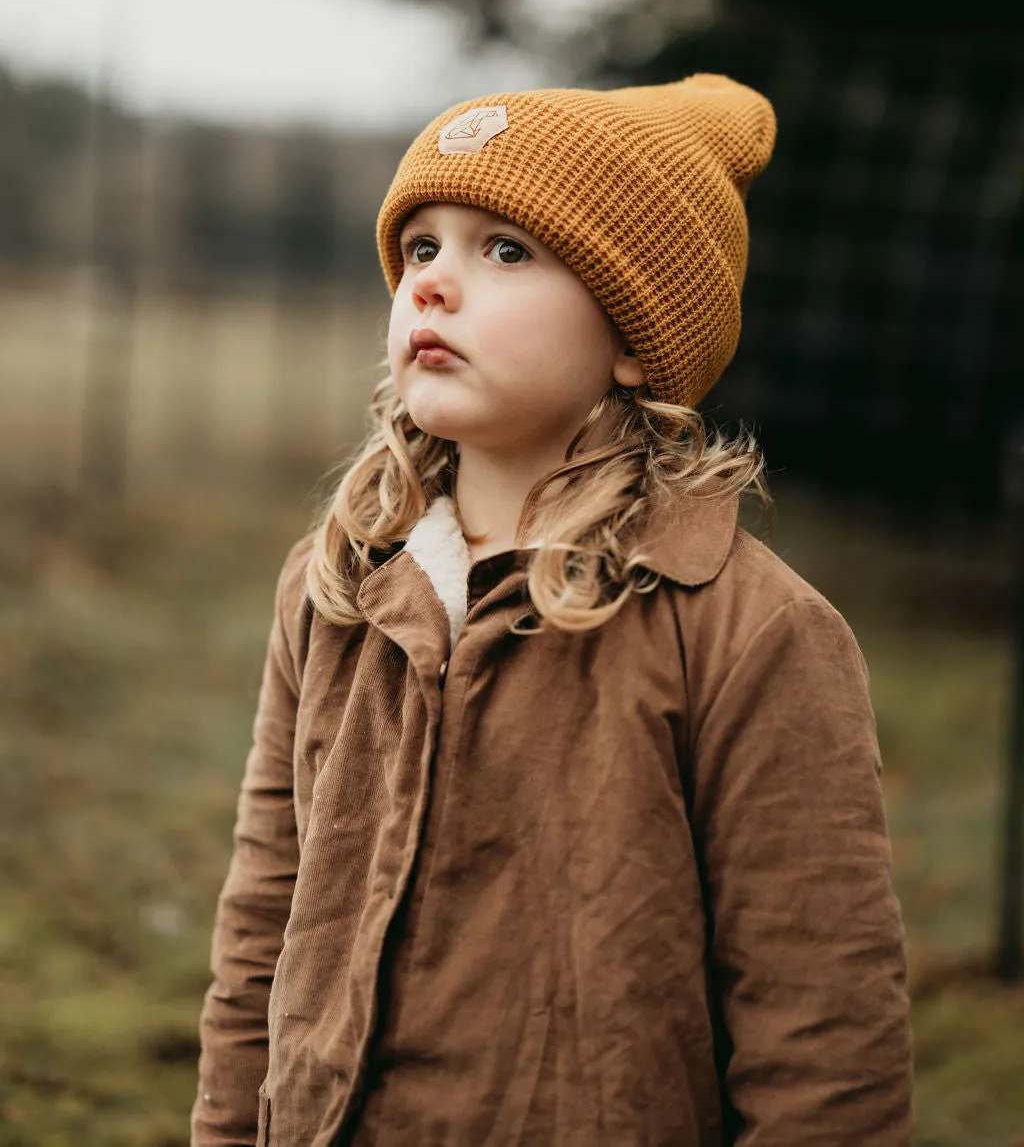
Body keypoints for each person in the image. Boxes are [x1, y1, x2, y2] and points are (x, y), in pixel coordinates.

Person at [190, 74, 913, 1146]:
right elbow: (264, 918)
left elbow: (823, 1023)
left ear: (631, 336)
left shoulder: (747, 629)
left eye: (507, 250)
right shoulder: (336, 581)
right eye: (421, 246)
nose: (433, 285)